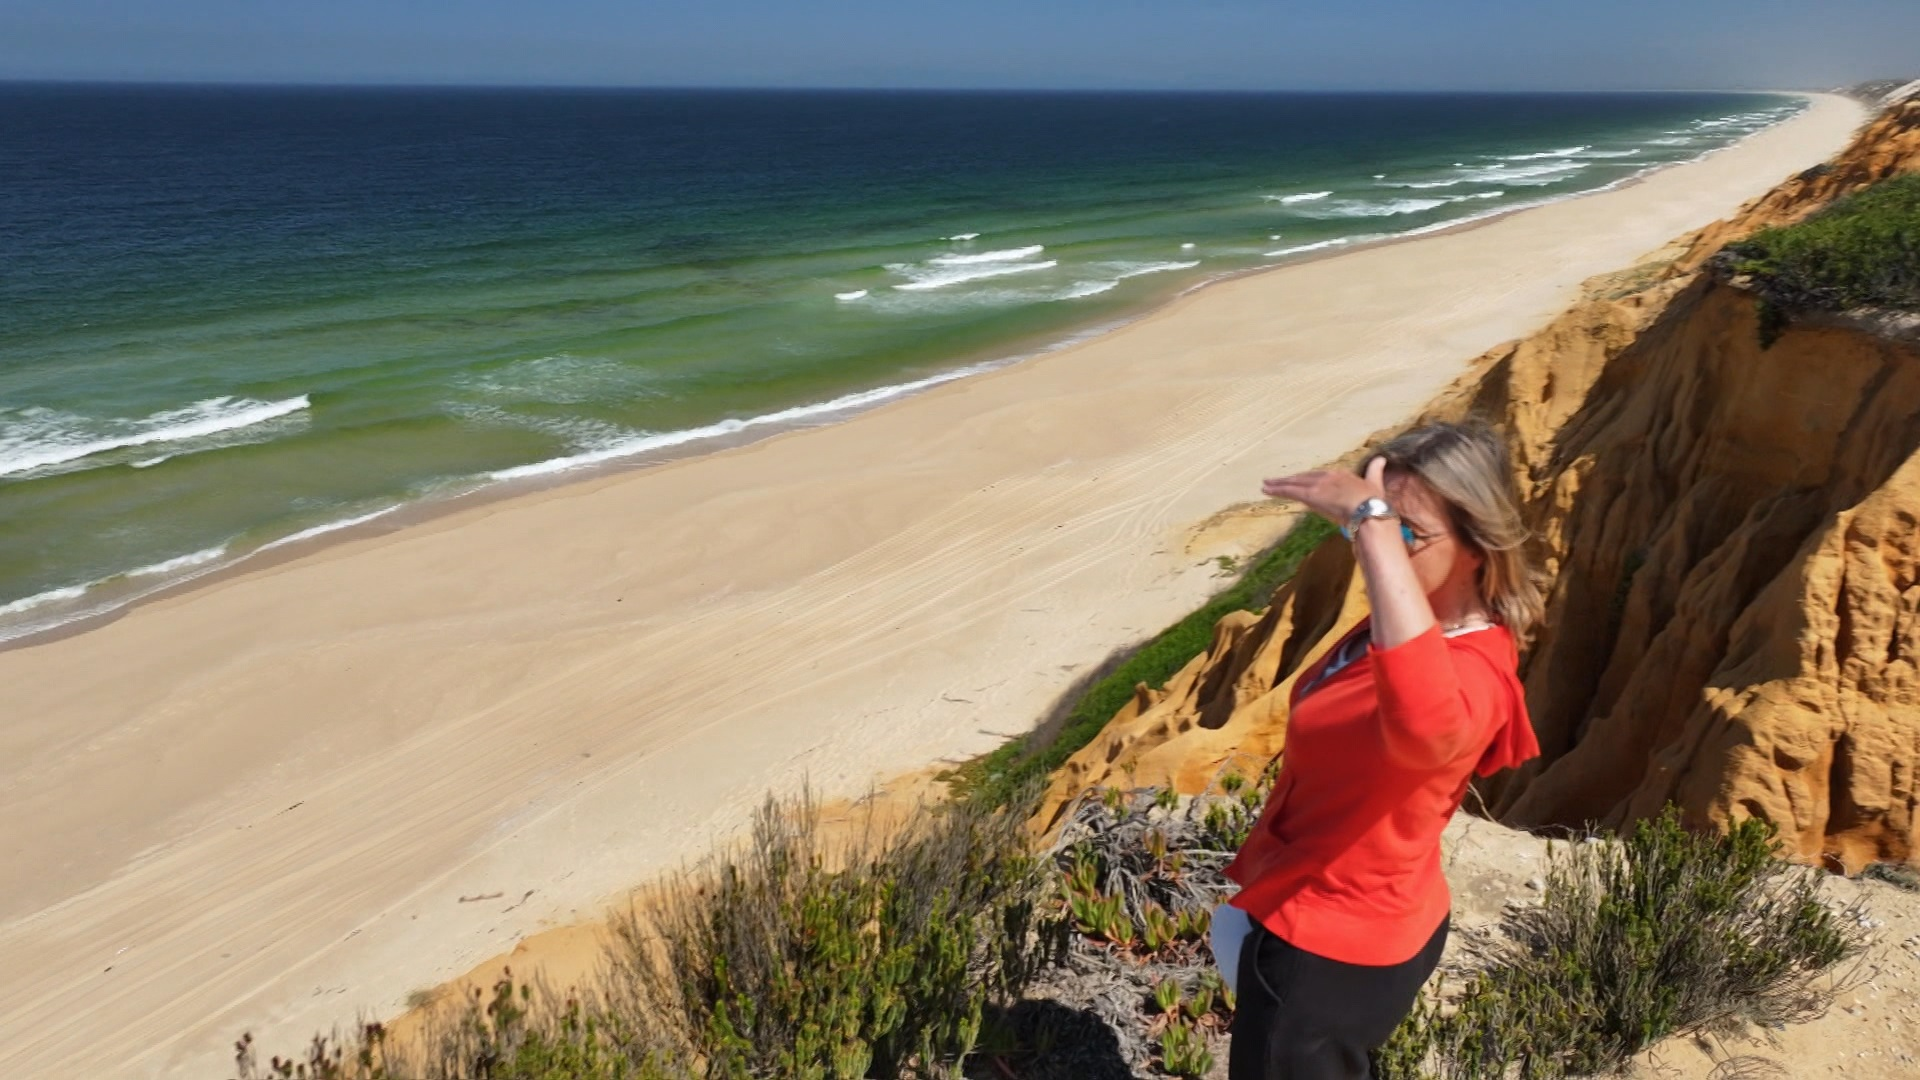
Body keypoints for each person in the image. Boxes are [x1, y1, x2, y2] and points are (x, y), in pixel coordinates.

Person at [1220, 421, 1544, 1080]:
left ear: (1477, 547)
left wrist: (1369, 524)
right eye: (1370, 527)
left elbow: (1423, 726)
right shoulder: (1420, 621)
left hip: (1329, 957)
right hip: (1336, 911)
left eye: (1406, 533)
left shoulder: (1469, 673)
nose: (1379, 551)